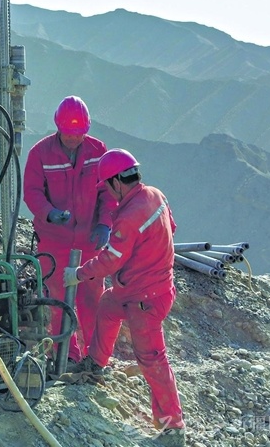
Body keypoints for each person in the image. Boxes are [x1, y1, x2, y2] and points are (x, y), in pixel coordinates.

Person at [64, 148, 185, 446]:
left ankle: (174, 427)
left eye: (106, 184)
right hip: (142, 287)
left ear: (118, 181)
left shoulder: (130, 216)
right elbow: (171, 226)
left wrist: (78, 274)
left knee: (151, 358)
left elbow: (110, 261)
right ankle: (95, 364)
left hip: (146, 298)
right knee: (107, 305)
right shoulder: (156, 195)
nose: (106, 190)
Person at [23, 95, 116, 364]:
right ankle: (66, 357)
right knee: (58, 302)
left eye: (79, 133)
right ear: (58, 128)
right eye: (68, 132)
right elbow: (32, 192)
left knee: (91, 301)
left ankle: (94, 358)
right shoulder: (40, 153)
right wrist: (49, 213)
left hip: (89, 242)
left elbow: (108, 194)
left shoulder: (98, 151)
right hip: (54, 242)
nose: (74, 138)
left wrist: (104, 224)